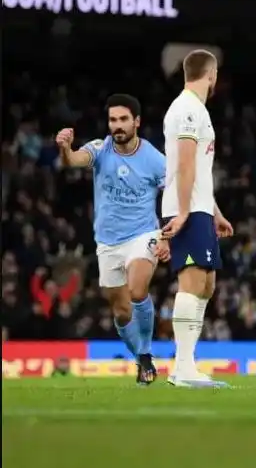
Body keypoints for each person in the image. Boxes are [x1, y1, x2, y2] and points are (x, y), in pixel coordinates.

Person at [55, 93, 168, 385]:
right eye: (113, 120)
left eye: (123, 120)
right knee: (120, 312)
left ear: (137, 122)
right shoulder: (100, 148)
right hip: (107, 242)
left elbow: (176, 194)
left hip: (143, 233)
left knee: (137, 288)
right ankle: (142, 359)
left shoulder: (155, 159)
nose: (117, 126)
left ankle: (145, 353)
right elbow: (74, 161)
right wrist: (65, 149)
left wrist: (168, 234)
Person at [161, 49, 234, 388]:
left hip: (199, 206)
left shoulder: (196, 108)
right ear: (211, 74)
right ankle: (183, 369)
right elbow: (186, 164)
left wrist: (214, 212)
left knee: (206, 284)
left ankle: (186, 365)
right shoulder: (188, 108)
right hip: (186, 207)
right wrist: (187, 211)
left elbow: (201, 172)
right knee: (192, 282)